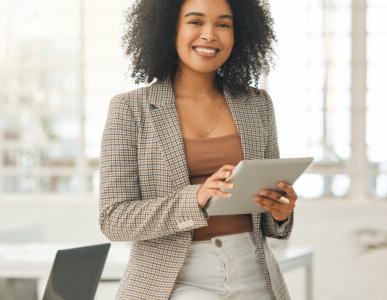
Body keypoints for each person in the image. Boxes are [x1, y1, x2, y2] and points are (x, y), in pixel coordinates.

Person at [99, 0, 299, 299]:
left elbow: (267, 220)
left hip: (253, 272)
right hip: (173, 280)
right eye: (195, 22)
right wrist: (197, 197)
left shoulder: (257, 104)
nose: (210, 34)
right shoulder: (130, 109)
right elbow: (113, 219)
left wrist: (280, 211)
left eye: (223, 24)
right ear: (171, 28)